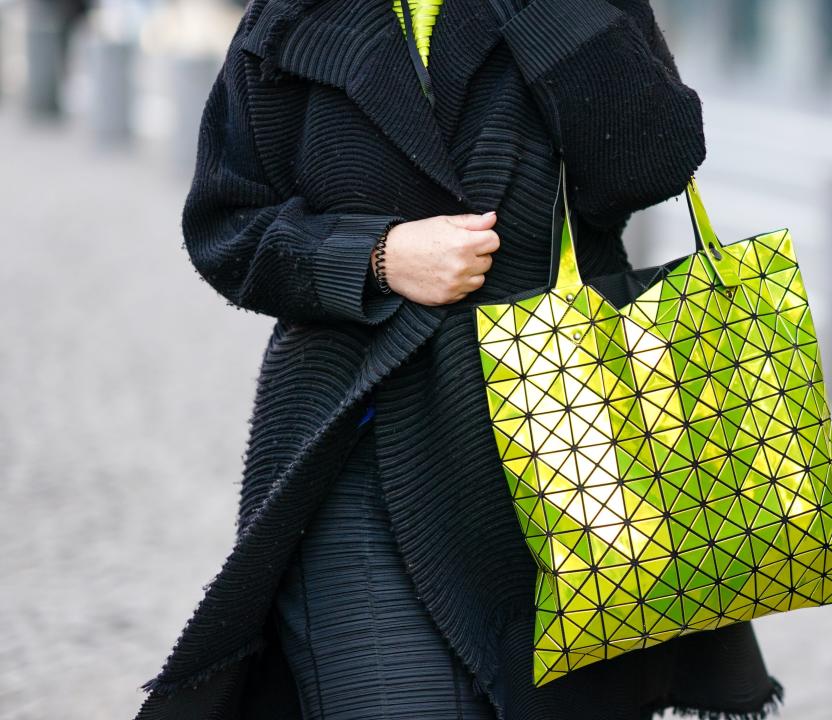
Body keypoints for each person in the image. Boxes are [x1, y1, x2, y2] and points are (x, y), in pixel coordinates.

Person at [135, 1, 785, 718]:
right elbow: (226, 227)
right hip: (359, 452)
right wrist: (376, 257)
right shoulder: (292, 14)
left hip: (575, 445)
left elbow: (648, 163)